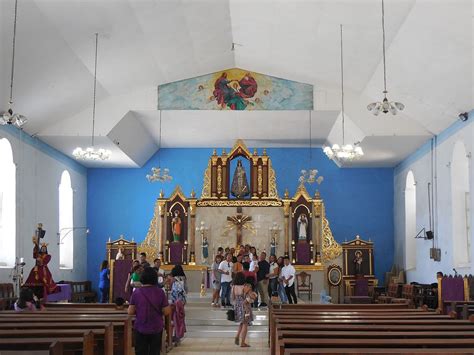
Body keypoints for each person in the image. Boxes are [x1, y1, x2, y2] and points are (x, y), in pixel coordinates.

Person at [128, 267, 171, 355]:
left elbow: (130, 311)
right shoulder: (160, 292)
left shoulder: (136, 292)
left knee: (141, 351)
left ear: (142, 278)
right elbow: (167, 311)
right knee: (154, 351)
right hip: (156, 327)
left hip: (141, 326)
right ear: (155, 278)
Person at [232, 274, 256, 348]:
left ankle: (237, 336)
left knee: (242, 322)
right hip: (245, 307)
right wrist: (254, 295)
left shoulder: (233, 287)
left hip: (237, 306)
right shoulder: (245, 287)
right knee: (245, 324)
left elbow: (232, 298)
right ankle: (242, 342)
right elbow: (251, 296)